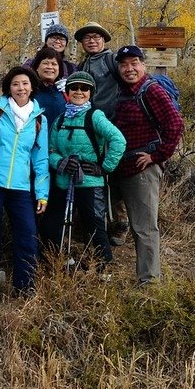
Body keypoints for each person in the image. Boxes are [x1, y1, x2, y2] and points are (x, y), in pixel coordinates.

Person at [110, 45, 184, 286]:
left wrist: (157, 157)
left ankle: (149, 282)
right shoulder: (123, 91)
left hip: (142, 169)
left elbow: (175, 125)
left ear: (143, 65)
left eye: (134, 63)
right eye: (124, 64)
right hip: (120, 167)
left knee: (143, 227)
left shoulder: (151, 91)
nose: (129, 69)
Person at [38, 71, 126, 271]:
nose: (79, 92)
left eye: (84, 88)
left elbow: (118, 140)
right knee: (51, 226)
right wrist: (60, 162)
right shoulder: (60, 119)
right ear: (67, 92)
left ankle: (104, 269)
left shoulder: (95, 116)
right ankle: (60, 263)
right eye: (74, 88)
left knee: (94, 226)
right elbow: (50, 150)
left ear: (91, 92)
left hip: (90, 183)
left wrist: (104, 167)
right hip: (62, 182)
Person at [0, 66, 50, 300]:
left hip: (21, 187)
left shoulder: (39, 119)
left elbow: (41, 158)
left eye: (25, 83)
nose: (21, 88)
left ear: (32, 87)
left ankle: (24, 287)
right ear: (9, 87)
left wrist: (42, 193)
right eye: (16, 84)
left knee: (27, 236)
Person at [73, 21, 129, 245]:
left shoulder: (111, 60)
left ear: (104, 40)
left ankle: (120, 224)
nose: (92, 40)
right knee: (92, 174)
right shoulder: (83, 64)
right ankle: (95, 224)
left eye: (96, 37)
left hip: (111, 125)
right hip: (89, 129)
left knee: (113, 175)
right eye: (87, 38)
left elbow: (129, 81)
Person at [30, 46, 68, 127]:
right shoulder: (29, 91)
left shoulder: (65, 92)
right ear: (37, 67)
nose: (50, 67)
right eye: (45, 63)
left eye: (54, 64)